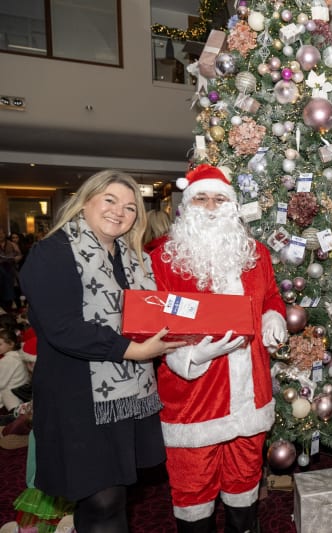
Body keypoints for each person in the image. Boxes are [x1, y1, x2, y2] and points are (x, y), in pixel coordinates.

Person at [19, 169, 185, 533]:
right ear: (85, 200)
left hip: (128, 395)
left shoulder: (134, 257)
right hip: (76, 398)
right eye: (109, 200)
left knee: (116, 494)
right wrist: (134, 351)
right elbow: (64, 329)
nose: (119, 212)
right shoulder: (53, 252)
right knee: (101, 497)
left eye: (129, 207)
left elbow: (151, 311)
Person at [149, 164, 288, 533]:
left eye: (219, 199)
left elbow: (271, 297)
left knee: (245, 482)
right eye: (202, 198)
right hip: (195, 399)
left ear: (232, 205)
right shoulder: (162, 257)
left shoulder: (255, 253)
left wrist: (274, 317)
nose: (211, 206)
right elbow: (152, 321)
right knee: (193, 492)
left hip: (250, 395)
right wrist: (191, 355)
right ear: (187, 206)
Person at [0, 327, 30, 413]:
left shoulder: (7, 360)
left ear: (11, 344)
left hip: (8, 401)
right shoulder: (17, 356)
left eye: (0, 344)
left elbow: (1, 383)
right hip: (17, 397)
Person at [0, 228, 22, 313]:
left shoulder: (12, 244)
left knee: (10, 290)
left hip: (10, 270)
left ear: (4, 234)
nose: (0, 235)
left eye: (1, 233)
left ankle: (9, 306)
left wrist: (14, 259)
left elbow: (19, 255)